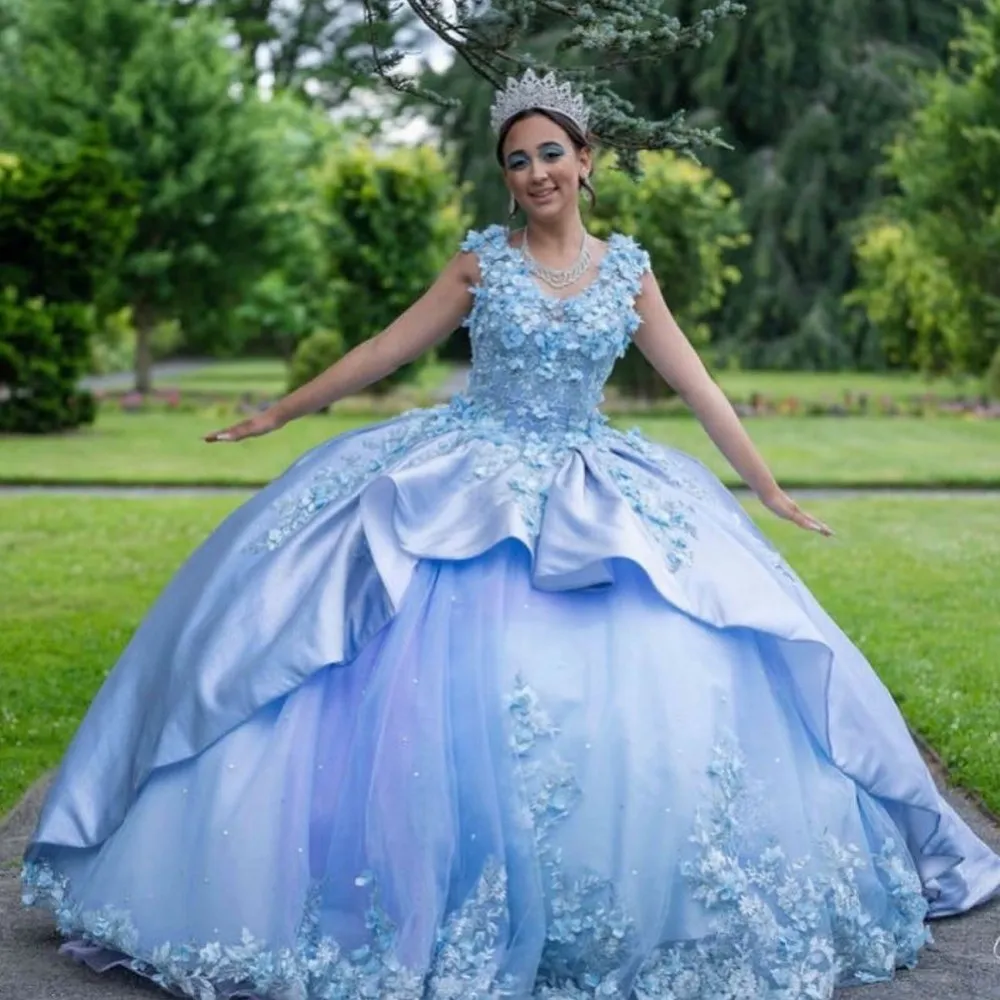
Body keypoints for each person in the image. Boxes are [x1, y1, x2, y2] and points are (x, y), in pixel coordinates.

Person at [22, 68, 1000, 1000]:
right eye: (515, 162)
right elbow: (383, 348)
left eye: (548, 154)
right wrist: (282, 412)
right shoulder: (481, 261)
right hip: (464, 480)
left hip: (591, 489)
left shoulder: (628, 272)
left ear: (585, 160)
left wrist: (769, 489)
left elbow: (698, 385)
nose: (532, 173)